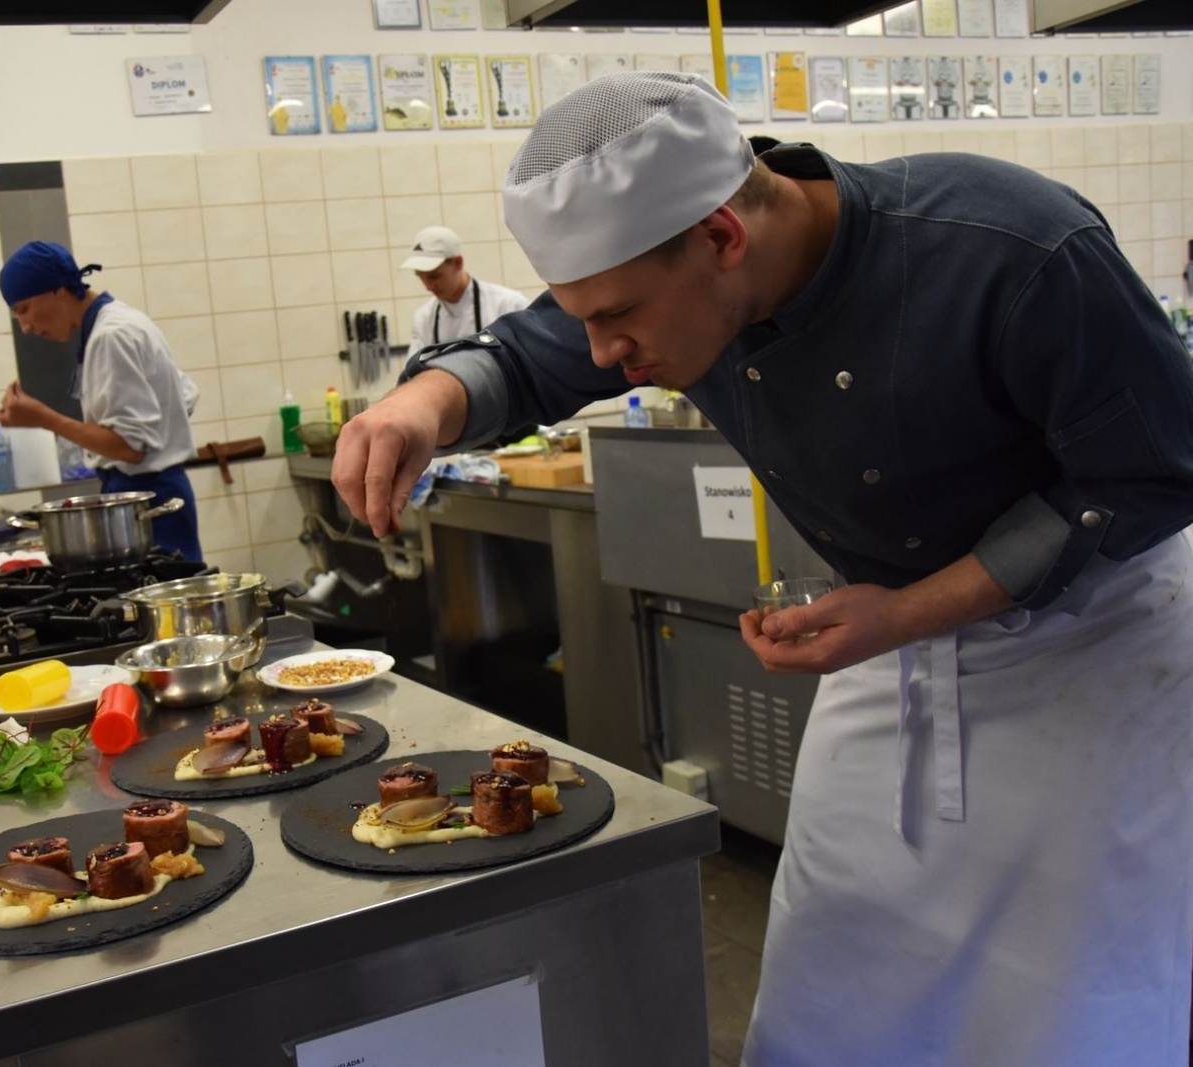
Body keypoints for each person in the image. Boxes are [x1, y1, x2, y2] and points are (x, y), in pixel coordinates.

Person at [333, 72, 1193, 1066]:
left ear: (721, 236)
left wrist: (910, 609)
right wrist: (418, 408)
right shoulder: (679, 286)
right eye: (586, 320)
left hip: (1094, 649)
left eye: (616, 318)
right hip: (887, 645)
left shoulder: (1012, 251)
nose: (603, 354)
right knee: (833, 966)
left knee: (1061, 1001)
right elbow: (527, 362)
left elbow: (1153, 472)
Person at [0, 240, 202, 561]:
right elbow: (184, 394)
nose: (25, 327)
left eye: (24, 310)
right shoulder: (119, 321)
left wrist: (43, 418)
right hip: (154, 494)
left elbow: (129, 448)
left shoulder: (111, 335)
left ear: (57, 290)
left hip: (149, 501)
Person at [400, 225, 529, 351]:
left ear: (458, 263)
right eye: (420, 277)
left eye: (434, 276)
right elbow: (415, 370)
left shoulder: (508, 305)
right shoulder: (424, 318)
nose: (428, 286)